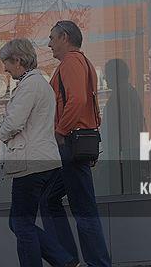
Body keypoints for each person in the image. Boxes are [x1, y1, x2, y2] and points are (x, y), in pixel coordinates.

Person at [0, 38, 79, 267]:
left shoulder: (30, 85)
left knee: (22, 224)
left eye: (6, 63)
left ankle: (65, 261)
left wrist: (1, 132)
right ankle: (65, 261)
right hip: (43, 161)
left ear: (18, 60)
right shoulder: (37, 83)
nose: (5, 69)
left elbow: (13, 122)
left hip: (30, 164)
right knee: (18, 222)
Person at [41, 20, 112, 267]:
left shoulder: (71, 62)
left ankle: (90, 263)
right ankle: (68, 260)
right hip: (76, 144)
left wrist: (60, 131)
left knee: (83, 210)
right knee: (50, 200)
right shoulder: (82, 62)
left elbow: (78, 100)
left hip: (70, 144)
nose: (49, 44)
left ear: (64, 37)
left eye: (52, 38)